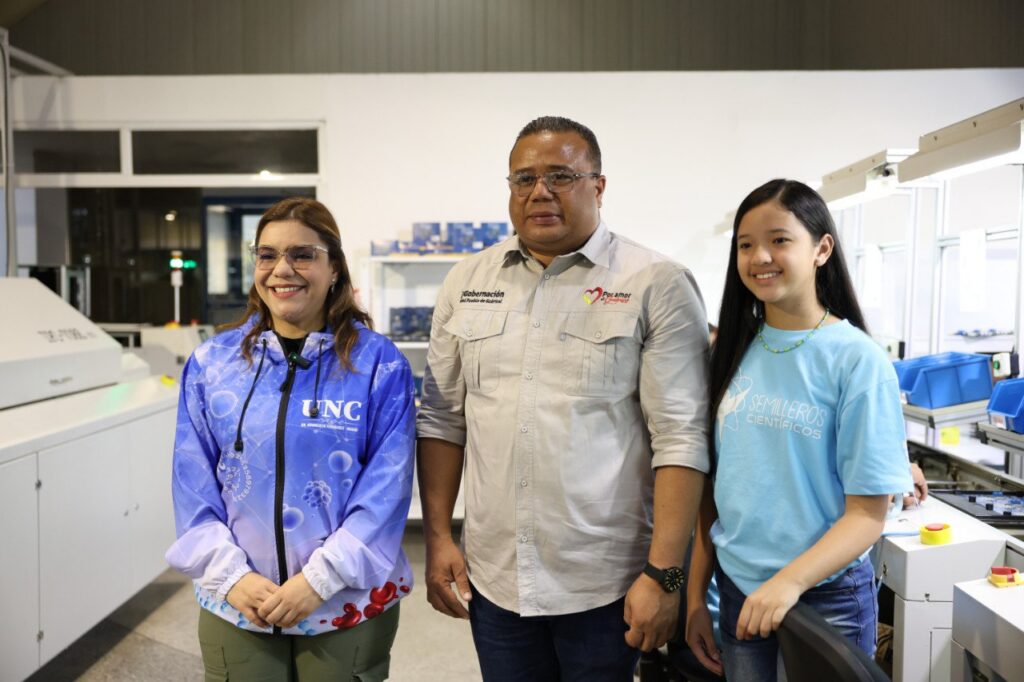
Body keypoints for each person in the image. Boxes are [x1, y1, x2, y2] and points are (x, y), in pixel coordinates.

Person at [416, 116, 711, 681]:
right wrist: (437, 539)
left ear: (599, 186)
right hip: (496, 578)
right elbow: (442, 421)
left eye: (561, 176)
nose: (540, 192)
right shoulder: (466, 281)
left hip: (608, 583)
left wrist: (665, 577)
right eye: (524, 179)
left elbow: (681, 437)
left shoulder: (656, 282)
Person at [166, 197, 415, 681]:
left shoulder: (379, 366)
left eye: (303, 254)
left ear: (334, 268)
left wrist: (319, 580)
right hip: (240, 603)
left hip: (344, 602)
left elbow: (388, 490)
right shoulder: (212, 364)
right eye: (267, 255)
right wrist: (232, 577)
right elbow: (192, 483)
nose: (282, 269)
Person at [685, 179, 913, 681]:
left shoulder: (857, 360)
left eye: (779, 240)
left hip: (825, 598)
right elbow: (714, 493)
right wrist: (696, 596)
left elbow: (867, 515)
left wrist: (788, 582)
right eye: (746, 245)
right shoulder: (730, 352)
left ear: (821, 249)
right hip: (740, 590)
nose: (759, 257)